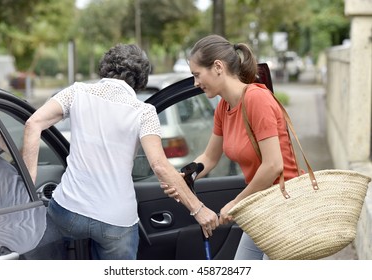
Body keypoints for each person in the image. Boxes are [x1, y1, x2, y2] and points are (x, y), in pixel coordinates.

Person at [21, 43, 218, 260]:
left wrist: (28, 186)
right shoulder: (144, 113)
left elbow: (33, 124)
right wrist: (198, 209)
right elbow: (160, 166)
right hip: (116, 221)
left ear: (105, 67)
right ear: (141, 79)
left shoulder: (76, 92)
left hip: (68, 211)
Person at [162, 35, 299, 260]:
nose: (195, 83)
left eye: (197, 75)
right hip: (259, 208)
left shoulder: (257, 99)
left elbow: (273, 165)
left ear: (218, 67)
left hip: (284, 208)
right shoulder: (223, 108)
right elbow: (209, 157)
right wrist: (184, 177)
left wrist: (236, 203)